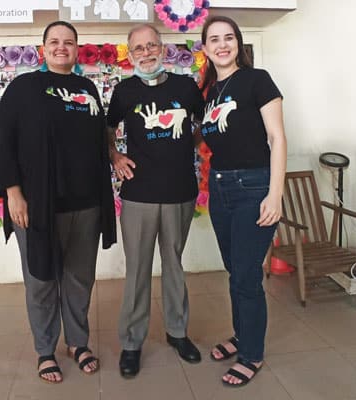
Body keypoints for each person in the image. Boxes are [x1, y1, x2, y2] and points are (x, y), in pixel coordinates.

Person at [0, 21, 117, 384]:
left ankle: (77, 342)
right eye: (55, 42)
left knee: (79, 279)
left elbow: (98, 138)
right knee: (41, 279)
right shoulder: (23, 88)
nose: (62, 47)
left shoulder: (87, 87)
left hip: (87, 203)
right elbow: (2, 143)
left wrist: (116, 156)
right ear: (43, 48)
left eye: (69, 42)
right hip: (38, 204)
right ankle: (45, 350)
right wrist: (13, 194)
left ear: (77, 49)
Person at [106, 23, 205, 378]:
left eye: (152, 46)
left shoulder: (185, 86)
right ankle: (132, 342)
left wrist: (186, 147)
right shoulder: (124, 91)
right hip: (139, 195)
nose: (146, 53)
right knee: (137, 271)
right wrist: (115, 156)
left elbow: (202, 121)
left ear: (162, 49)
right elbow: (107, 128)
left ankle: (178, 332)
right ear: (129, 54)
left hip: (180, 191)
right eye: (138, 49)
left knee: (174, 265)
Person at [199, 15, 287, 387]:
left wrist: (275, 194)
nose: (222, 44)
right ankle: (242, 336)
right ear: (204, 48)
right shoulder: (207, 92)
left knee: (247, 277)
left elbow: (277, 138)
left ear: (238, 43)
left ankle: (251, 354)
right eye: (214, 39)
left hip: (254, 187)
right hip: (219, 188)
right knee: (236, 273)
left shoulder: (257, 79)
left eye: (229, 38)